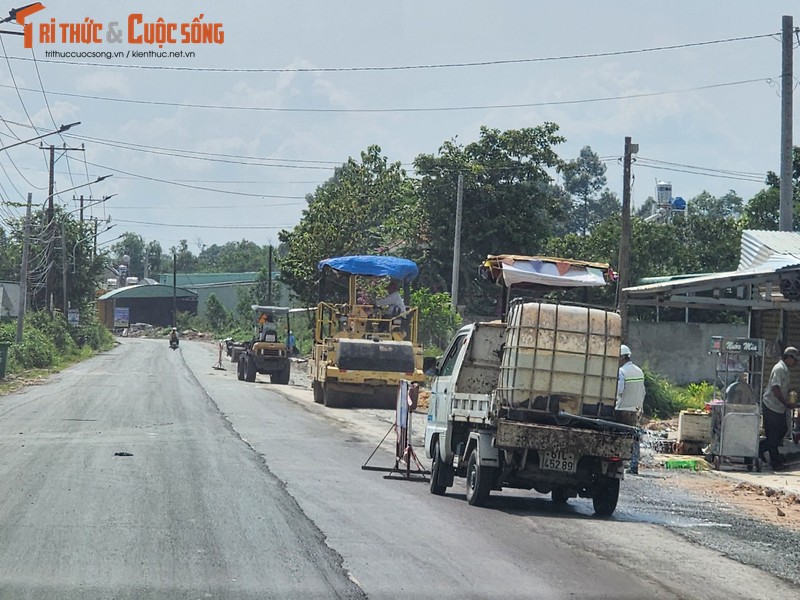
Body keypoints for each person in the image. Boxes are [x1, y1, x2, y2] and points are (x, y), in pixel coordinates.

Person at [758, 346, 799, 471]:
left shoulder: (786, 370)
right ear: (788, 357)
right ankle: (775, 462)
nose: (795, 363)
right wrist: (785, 403)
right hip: (771, 405)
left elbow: (784, 387)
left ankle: (761, 448)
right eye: (794, 360)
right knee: (773, 434)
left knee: (782, 430)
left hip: (779, 407)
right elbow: (775, 388)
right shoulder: (779, 368)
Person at [616, 344, 646, 475]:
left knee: (619, 437)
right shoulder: (639, 371)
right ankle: (634, 465)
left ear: (622, 357)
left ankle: (620, 462)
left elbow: (619, 390)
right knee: (635, 438)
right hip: (637, 410)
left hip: (623, 409)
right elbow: (643, 391)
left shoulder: (621, 372)